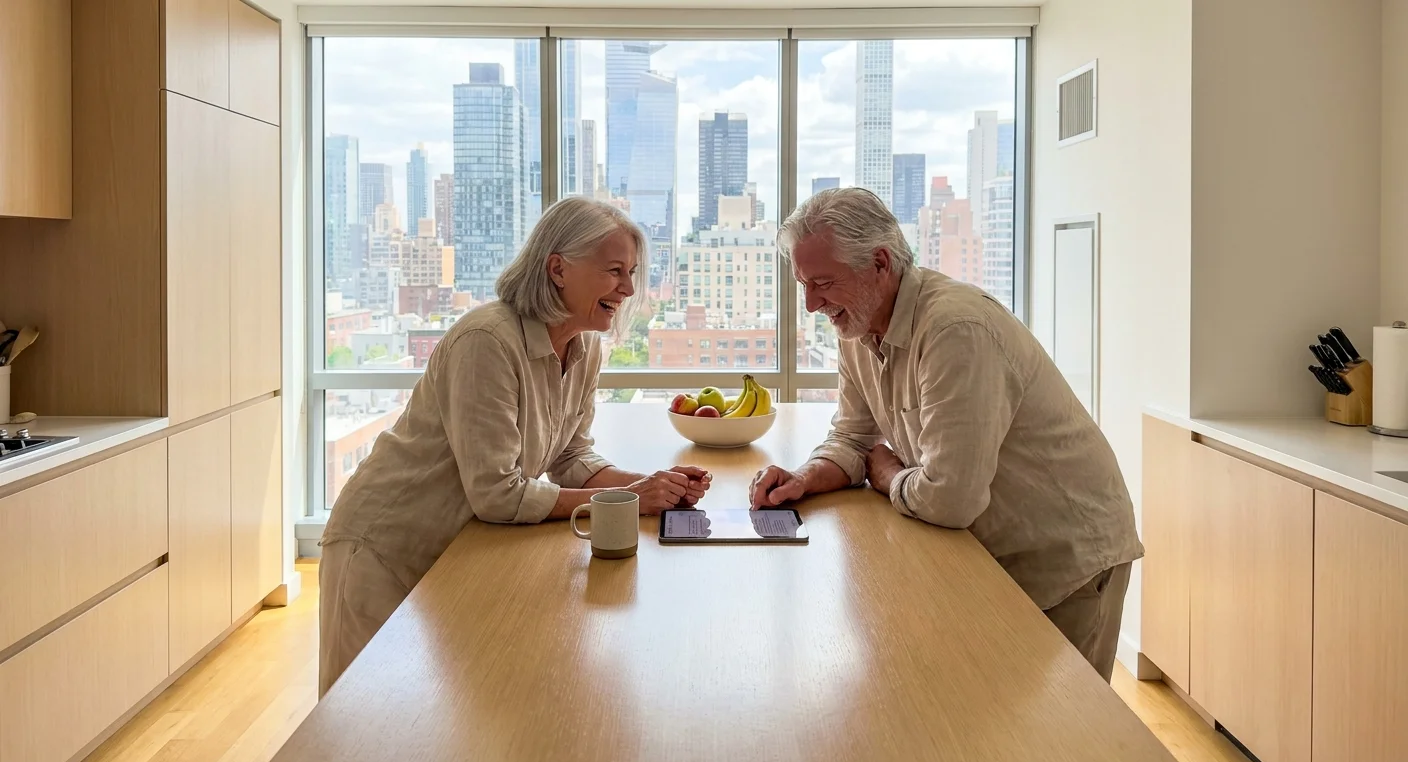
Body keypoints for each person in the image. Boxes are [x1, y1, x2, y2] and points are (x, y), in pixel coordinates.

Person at [318, 197, 711, 696]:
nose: (629, 288)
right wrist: (632, 499)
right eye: (615, 271)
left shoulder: (585, 344)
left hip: (459, 551)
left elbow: (572, 459)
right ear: (558, 269)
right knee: (357, 726)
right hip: (382, 548)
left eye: (632, 272)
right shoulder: (486, 341)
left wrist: (655, 487)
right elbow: (499, 495)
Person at [749, 188, 1142, 682]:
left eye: (823, 283)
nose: (810, 305)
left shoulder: (956, 329)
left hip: (1065, 559)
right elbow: (852, 439)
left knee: (1066, 746)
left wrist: (890, 472)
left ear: (880, 263)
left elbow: (950, 499)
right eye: (803, 285)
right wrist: (805, 478)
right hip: (985, 558)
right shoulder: (855, 326)